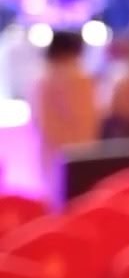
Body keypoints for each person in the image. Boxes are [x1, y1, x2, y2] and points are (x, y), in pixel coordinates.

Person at [32, 29, 99, 180]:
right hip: (78, 154)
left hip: (51, 152)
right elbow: (86, 121)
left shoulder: (43, 79)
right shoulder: (79, 79)